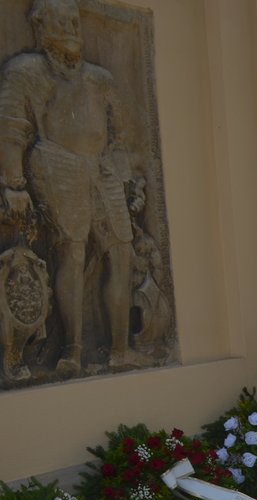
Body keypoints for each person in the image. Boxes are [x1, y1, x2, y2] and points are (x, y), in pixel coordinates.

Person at [0, 0, 149, 376]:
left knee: (121, 251)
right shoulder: (26, 71)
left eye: (74, 20)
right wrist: (15, 184)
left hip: (101, 169)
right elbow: (12, 127)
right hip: (54, 161)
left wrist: (125, 174)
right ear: (41, 28)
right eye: (61, 21)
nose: (71, 27)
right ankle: (73, 351)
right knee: (73, 251)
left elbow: (122, 131)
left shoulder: (99, 78)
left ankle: (118, 350)